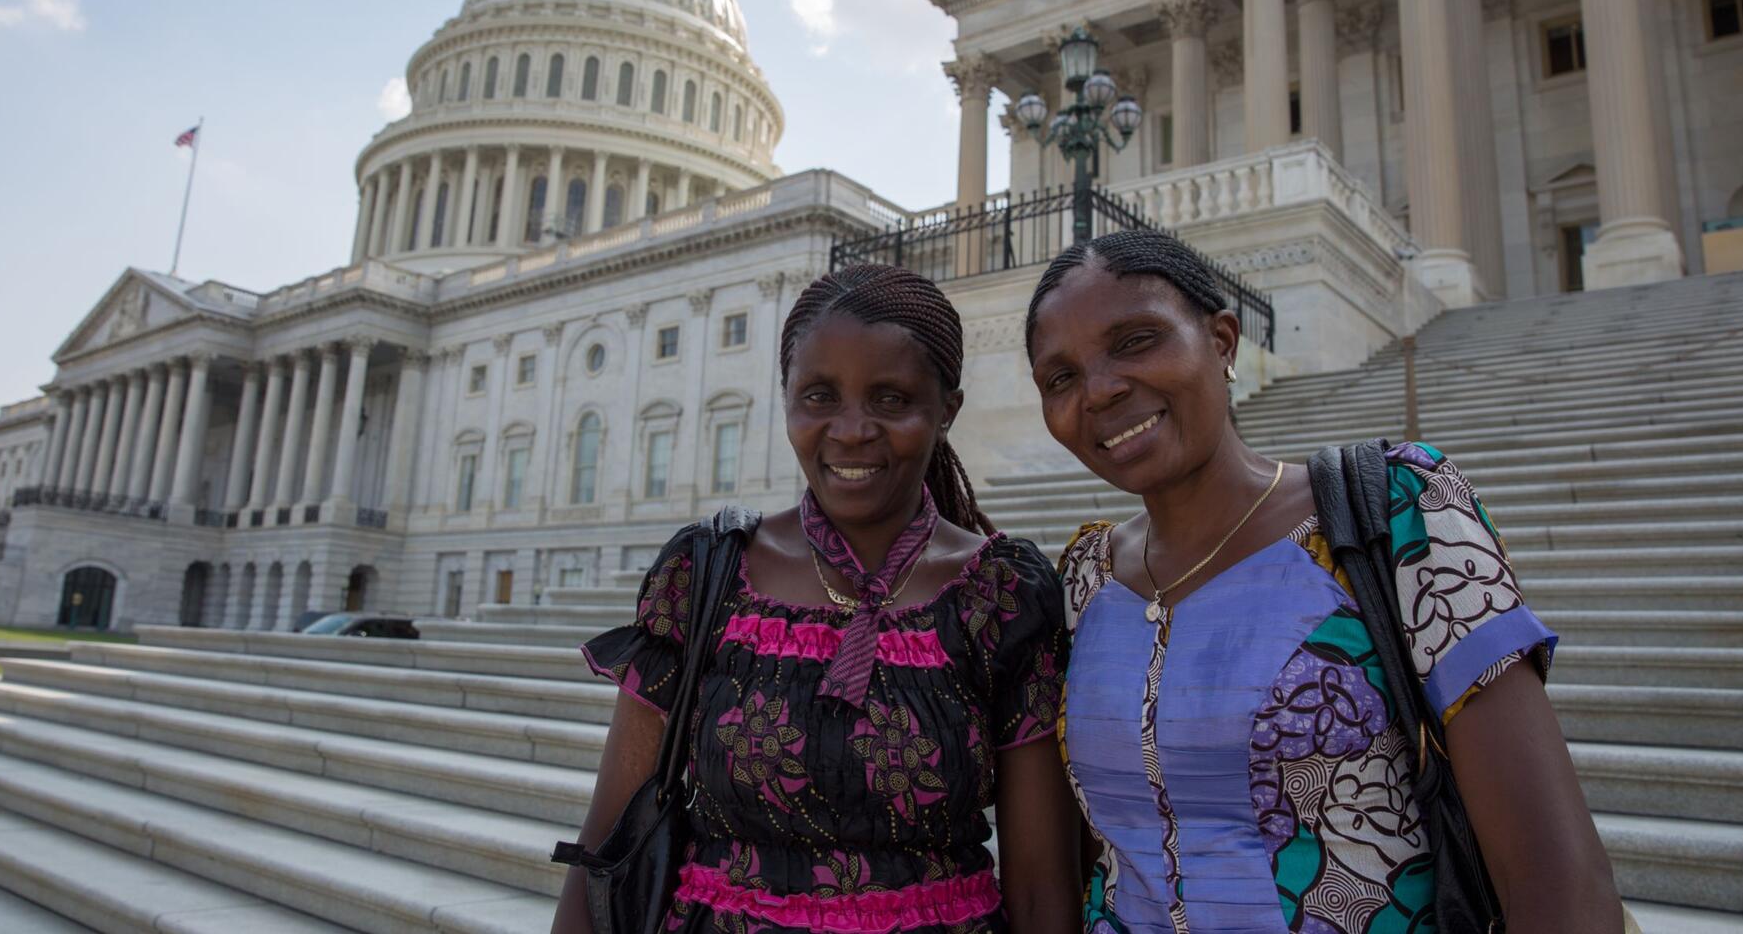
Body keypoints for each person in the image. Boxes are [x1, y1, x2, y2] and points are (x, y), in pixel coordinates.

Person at [1024, 230, 1623, 933]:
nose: (1099, 390)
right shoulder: (1083, 581)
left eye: (1134, 341)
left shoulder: (1400, 510)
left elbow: (1557, 877)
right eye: (1061, 378)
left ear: (1222, 341)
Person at [553, 264, 1081, 934]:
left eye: (890, 400)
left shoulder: (1000, 595)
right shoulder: (706, 571)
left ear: (946, 410)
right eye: (819, 397)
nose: (852, 430)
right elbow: (606, 835)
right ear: (786, 401)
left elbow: (1041, 887)